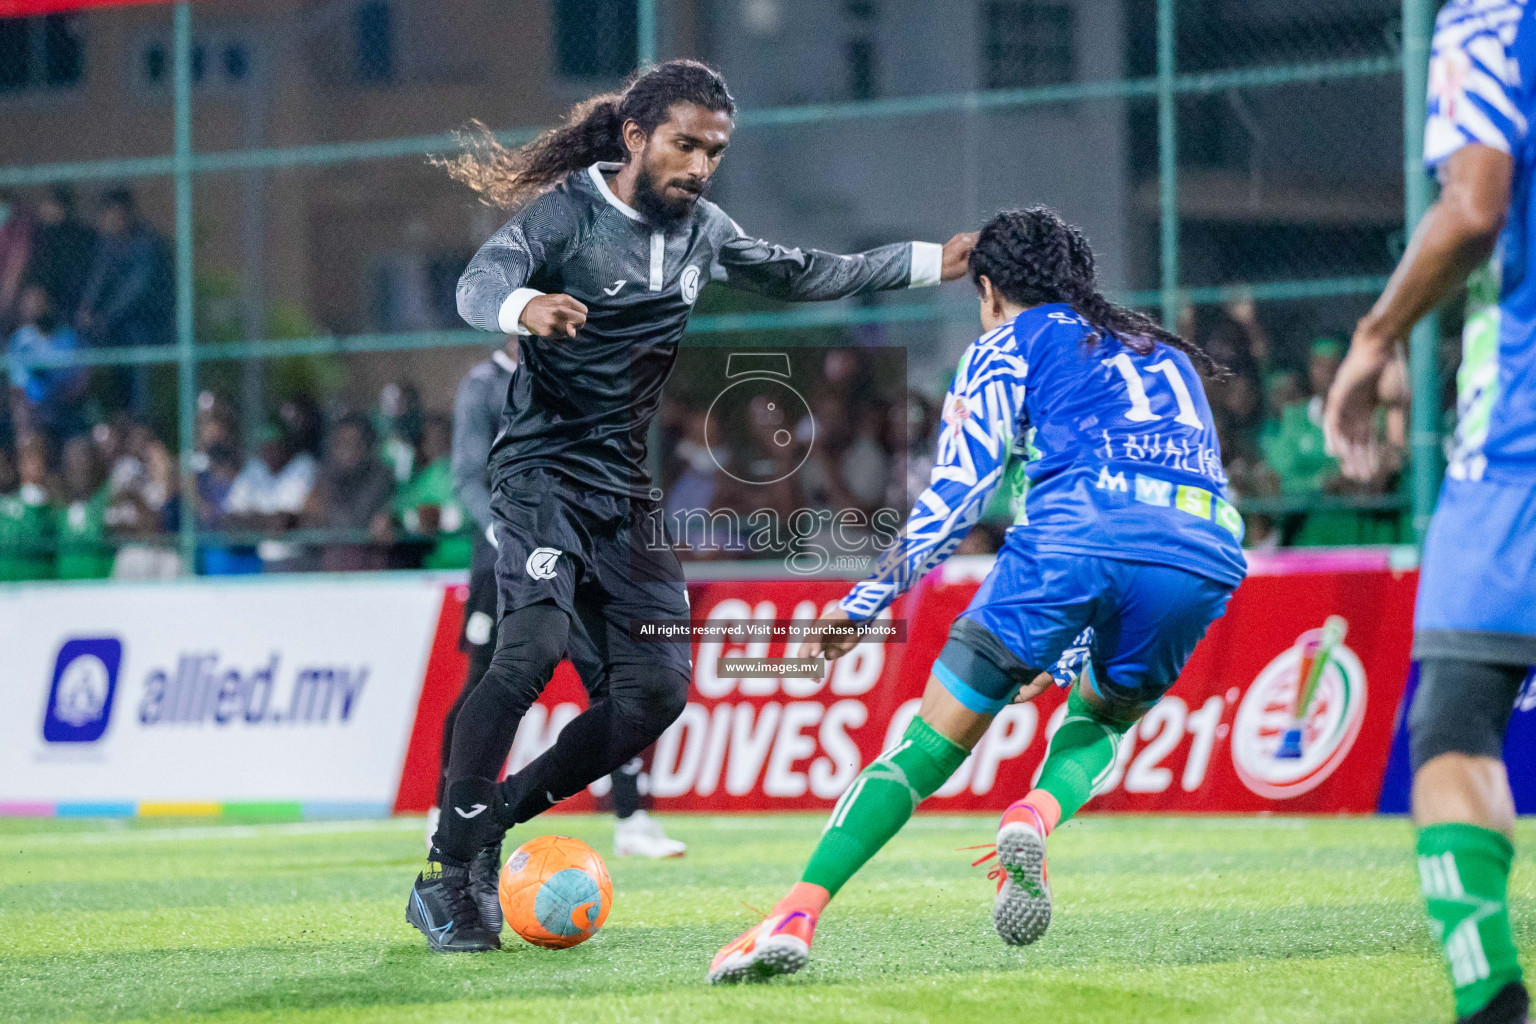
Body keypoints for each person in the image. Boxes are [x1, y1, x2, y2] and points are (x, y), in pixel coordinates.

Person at [407, 57, 975, 953]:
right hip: (540, 478)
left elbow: (803, 271)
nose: (702, 166)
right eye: (685, 145)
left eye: (714, 151)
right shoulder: (569, 213)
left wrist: (931, 263)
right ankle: (447, 872)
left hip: (623, 492)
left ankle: (490, 828)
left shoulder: (705, 230)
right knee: (531, 650)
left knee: (655, 695)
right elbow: (476, 284)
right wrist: (526, 307)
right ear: (635, 136)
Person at [708, 207, 1246, 984]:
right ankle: (1033, 815)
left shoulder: (1007, 346)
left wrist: (862, 605)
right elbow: (1174, 485)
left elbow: (956, 499)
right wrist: (1065, 654)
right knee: (1098, 719)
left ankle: (794, 915)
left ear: (988, 287)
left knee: (925, 749)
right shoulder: (1163, 352)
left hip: (1076, 535)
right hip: (1201, 549)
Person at [1322, 4, 1535, 1021]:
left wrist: (1375, 339)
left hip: (1521, 445)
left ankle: (1491, 1006)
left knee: (1455, 719)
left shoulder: (1488, 17)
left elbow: (1475, 204)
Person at [427, 337, 686, 884]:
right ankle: (445, 812)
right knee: (488, 679)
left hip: (579, 549)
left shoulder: (578, 373)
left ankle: (629, 814)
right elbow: (467, 476)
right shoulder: (483, 385)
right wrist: (506, 533)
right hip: (505, 555)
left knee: (615, 686)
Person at [76, 188, 173, 417]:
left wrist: (104, 317)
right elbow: (96, 283)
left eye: (115, 214)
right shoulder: (106, 247)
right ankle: (96, 415)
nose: (110, 220)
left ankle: (139, 417)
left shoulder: (148, 245)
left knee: (136, 350)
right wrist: (86, 310)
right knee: (80, 342)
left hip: (147, 325)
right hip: (113, 327)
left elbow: (135, 292)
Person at [300, 412, 394, 572]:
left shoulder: (382, 478)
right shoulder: (323, 479)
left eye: (354, 443)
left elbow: (385, 522)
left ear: (368, 446)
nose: (347, 450)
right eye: (341, 443)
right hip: (330, 574)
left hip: (372, 573)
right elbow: (310, 525)